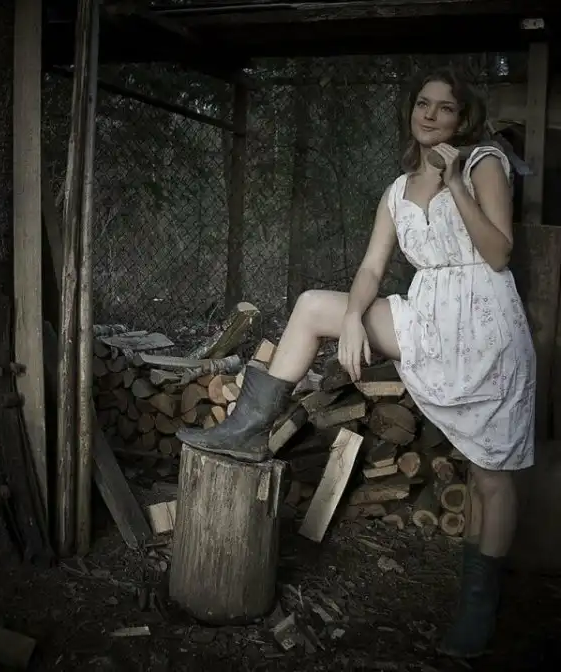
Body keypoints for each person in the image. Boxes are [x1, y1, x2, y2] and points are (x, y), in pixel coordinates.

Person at [177, 67, 536, 659]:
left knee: (490, 477)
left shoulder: (483, 164)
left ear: (462, 118)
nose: (430, 115)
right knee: (313, 306)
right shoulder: (396, 190)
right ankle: (248, 428)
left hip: (486, 328)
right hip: (428, 314)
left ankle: (478, 608)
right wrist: (351, 317)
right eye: (422, 104)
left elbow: (498, 253)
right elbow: (371, 268)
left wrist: (454, 183)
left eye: (445, 107)